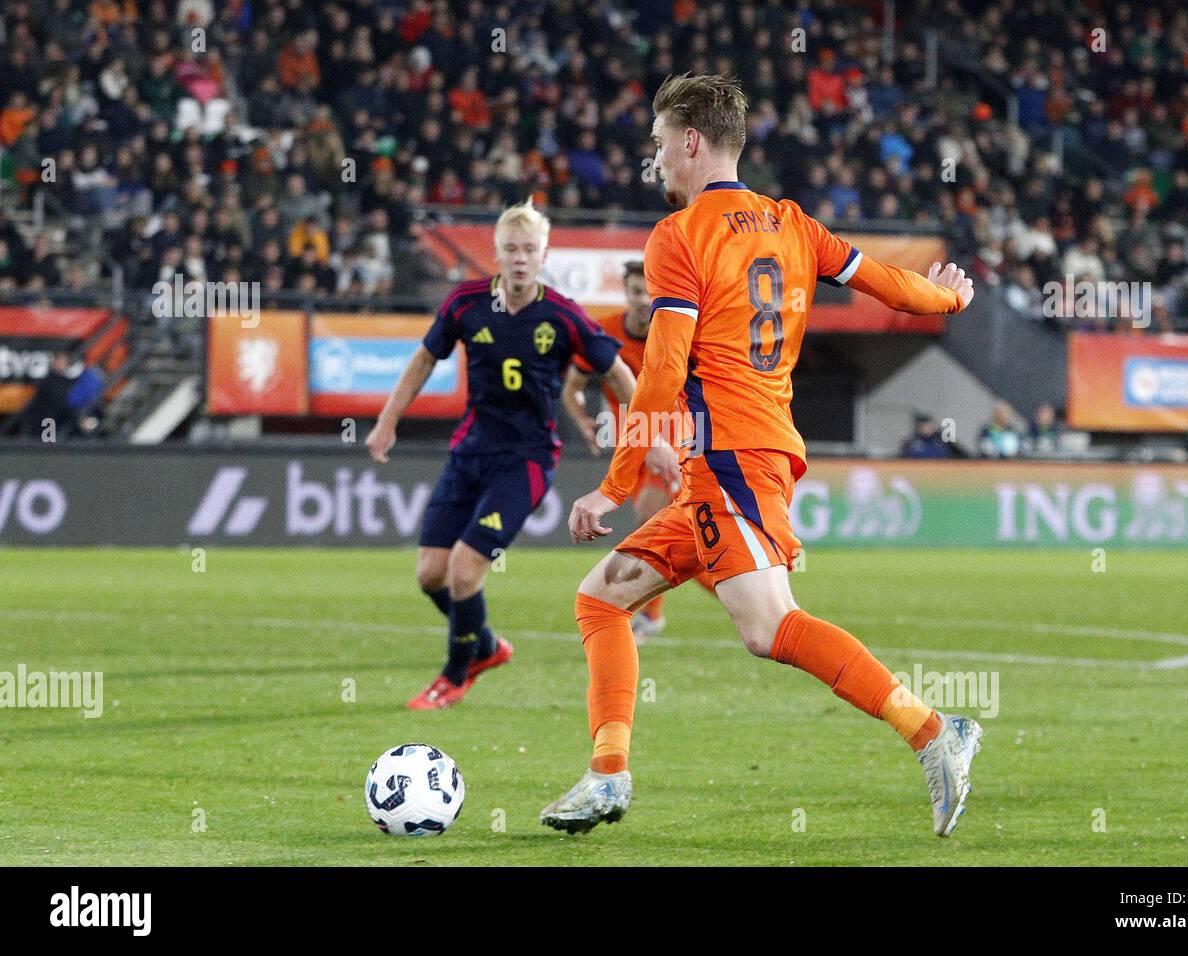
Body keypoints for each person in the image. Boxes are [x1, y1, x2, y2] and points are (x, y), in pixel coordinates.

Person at [540, 74, 982, 838]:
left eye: (656, 145)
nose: (655, 162)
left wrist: (614, 487)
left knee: (768, 627)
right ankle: (607, 776)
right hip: (741, 457)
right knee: (602, 599)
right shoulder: (792, 224)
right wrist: (948, 297)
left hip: (735, 458)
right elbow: (891, 288)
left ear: (689, 142)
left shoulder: (679, 237)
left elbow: (662, 372)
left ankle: (934, 732)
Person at [364, 199, 645, 710]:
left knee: (465, 571)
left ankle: (454, 675)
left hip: (527, 460)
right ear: (496, 253)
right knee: (431, 573)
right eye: (511, 249)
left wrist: (657, 430)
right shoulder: (465, 303)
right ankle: (487, 647)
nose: (520, 258)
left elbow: (619, 372)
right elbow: (426, 356)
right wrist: (387, 422)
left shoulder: (561, 314)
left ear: (544, 254)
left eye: (529, 249)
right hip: (470, 451)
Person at [560, 259, 695, 643]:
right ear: (626, 293)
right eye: (637, 292)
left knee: (650, 512)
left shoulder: (677, 331)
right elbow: (571, 387)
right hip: (628, 441)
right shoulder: (606, 333)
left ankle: (648, 615)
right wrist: (584, 422)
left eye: (651, 292)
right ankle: (731, 580)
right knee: (676, 530)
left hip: (670, 435)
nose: (644, 300)